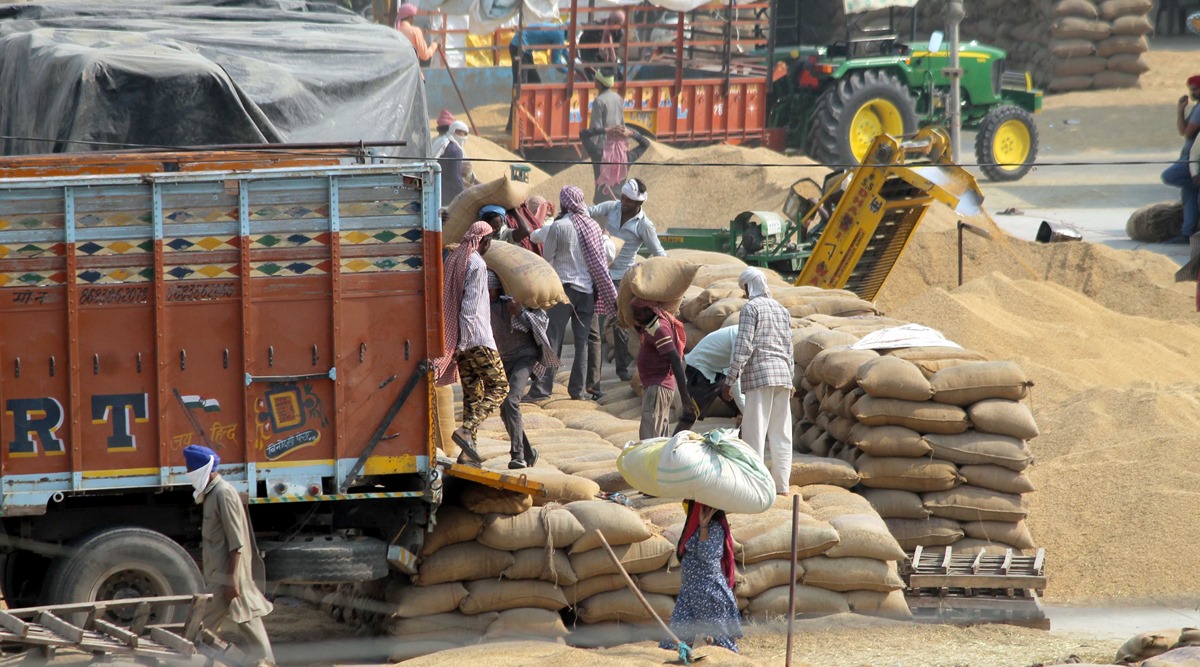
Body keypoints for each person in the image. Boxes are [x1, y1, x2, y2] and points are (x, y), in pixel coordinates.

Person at [183, 445, 275, 666]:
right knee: (247, 619)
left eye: (189, 469)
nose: (187, 473)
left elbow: (237, 543)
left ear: (200, 470)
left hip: (227, 578)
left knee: (197, 629)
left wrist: (232, 580)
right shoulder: (211, 495)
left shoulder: (224, 493)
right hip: (221, 577)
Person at [525, 187, 618, 402]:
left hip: (563, 290)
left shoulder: (559, 226)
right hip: (586, 292)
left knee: (552, 340)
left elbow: (548, 258)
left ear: (564, 203)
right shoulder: (594, 227)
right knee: (582, 343)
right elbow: (601, 257)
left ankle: (542, 389)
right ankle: (578, 391)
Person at [434, 221, 507, 463]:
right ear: (484, 240)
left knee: (473, 395)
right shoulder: (477, 263)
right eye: (490, 240)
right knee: (500, 387)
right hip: (477, 339)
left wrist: (456, 345)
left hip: (462, 342)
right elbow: (470, 308)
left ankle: (468, 453)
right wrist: (465, 342)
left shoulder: (456, 258)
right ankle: (467, 430)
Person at [724, 268, 794, 495]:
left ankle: (757, 484)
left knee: (756, 432)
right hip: (783, 375)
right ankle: (782, 486)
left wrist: (731, 378)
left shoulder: (750, 308)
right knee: (781, 433)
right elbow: (788, 347)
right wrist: (791, 378)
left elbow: (744, 345)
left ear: (747, 287)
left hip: (760, 375)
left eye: (743, 288)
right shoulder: (782, 310)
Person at [589, 177, 664, 383]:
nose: (624, 202)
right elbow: (589, 212)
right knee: (591, 322)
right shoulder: (611, 207)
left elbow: (658, 253)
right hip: (599, 271)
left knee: (619, 322)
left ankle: (621, 370)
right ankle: (591, 372)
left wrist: (652, 274)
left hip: (621, 277)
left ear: (639, 203)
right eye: (622, 197)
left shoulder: (644, 226)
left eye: (629, 200)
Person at [487, 270, 557, 468]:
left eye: (492, 289)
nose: (489, 293)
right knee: (504, 409)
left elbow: (540, 323)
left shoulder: (512, 304)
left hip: (524, 357)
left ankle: (517, 455)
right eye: (486, 290)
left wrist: (520, 313)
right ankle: (528, 452)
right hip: (502, 359)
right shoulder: (483, 307)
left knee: (511, 401)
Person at [659, 499, 741, 654]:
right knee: (671, 641)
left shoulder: (715, 528)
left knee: (723, 645)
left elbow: (707, 555)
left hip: (709, 594)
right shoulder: (692, 529)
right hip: (689, 593)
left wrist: (704, 526)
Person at [629, 296, 692, 439]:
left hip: (658, 387)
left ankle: (653, 462)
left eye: (637, 313)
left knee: (650, 436)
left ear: (648, 311)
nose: (635, 317)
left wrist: (684, 395)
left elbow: (675, 359)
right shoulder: (649, 325)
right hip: (654, 386)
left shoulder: (660, 329)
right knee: (657, 433)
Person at [673, 324, 745, 434]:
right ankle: (672, 446)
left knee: (743, 410)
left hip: (721, 369)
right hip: (702, 368)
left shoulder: (752, 336)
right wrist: (747, 411)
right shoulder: (742, 337)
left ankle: (744, 445)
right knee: (690, 415)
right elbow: (736, 373)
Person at [506, 23, 568, 132]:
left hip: (522, 48)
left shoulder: (558, 30)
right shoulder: (560, 34)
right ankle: (513, 126)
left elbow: (563, 50)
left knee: (535, 82)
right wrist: (569, 71)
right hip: (521, 49)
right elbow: (556, 61)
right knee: (521, 87)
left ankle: (529, 120)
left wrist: (572, 61)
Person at [1162, 74, 1200, 244]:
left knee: (1169, 175)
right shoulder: (1197, 107)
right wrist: (1180, 110)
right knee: (1189, 194)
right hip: (1189, 161)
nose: (1192, 93)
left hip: (1194, 161)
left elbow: (1189, 133)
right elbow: (1182, 131)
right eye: (1191, 89)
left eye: (1195, 89)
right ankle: (1187, 233)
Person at [581, 71, 630, 202]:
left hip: (603, 149)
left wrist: (589, 149)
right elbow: (622, 124)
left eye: (595, 80)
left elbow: (596, 128)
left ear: (599, 83)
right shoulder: (618, 98)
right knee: (615, 180)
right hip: (618, 148)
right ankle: (615, 205)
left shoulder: (599, 101)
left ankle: (602, 210)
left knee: (601, 181)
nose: (594, 82)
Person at [577, 11, 624, 80]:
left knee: (618, 77)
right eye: (618, 24)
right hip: (590, 58)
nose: (619, 27)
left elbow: (614, 55)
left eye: (621, 25)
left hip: (607, 60)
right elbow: (585, 27)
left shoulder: (618, 33)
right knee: (597, 77)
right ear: (610, 21)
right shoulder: (595, 27)